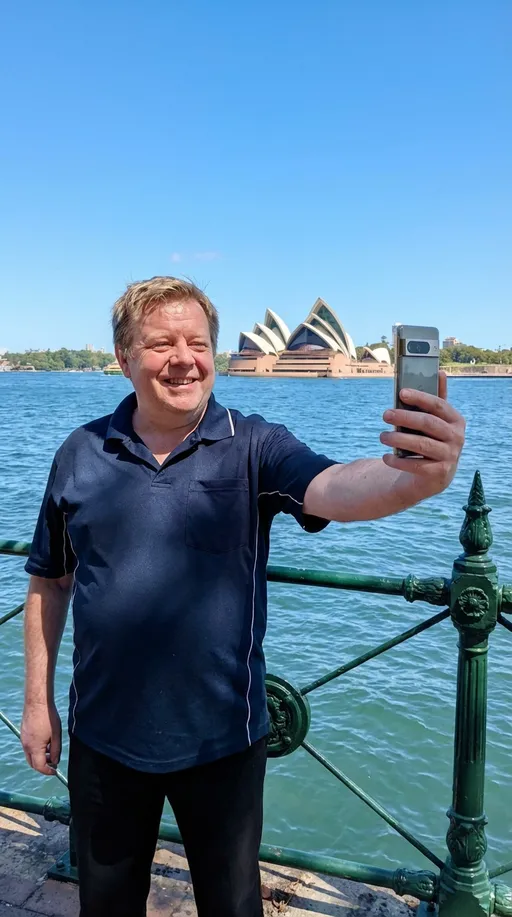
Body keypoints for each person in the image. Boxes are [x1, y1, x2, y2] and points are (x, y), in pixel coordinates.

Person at [21, 277, 465, 917]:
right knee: (106, 907)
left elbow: (335, 488)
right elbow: (51, 578)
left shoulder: (256, 444)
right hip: (104, 738)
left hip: (222, 743)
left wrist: (417, 477)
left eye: (198, 343)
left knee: (234, 908)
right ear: (124, 359)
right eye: (161, 344)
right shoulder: (78, 454)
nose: (184, 359)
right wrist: (36, 705)